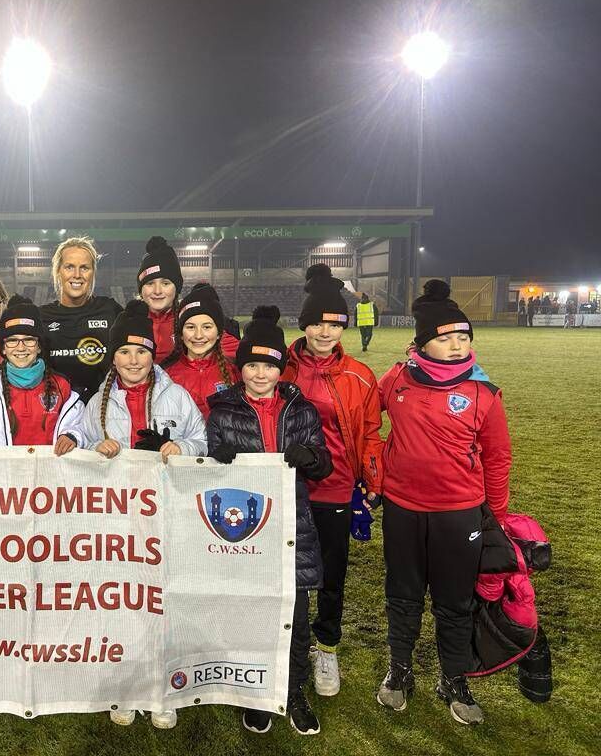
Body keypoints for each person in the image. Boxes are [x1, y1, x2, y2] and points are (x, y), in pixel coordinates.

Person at [375, 279, 511, 726]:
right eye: (445, 337)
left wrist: (498, 515)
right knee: (403, 593)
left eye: (463, 337)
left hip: (459, 513)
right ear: (422, 342)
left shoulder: (483, 392)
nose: (456, 346)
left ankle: (454, 677)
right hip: (402, 507)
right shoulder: (396, 378)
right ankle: (400, 670)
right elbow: (361, 418)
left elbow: (497, 456)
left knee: (454, 601)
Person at [206, 305, 333, 736]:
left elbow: (323, 463)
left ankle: (294, 689)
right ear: (240, 367)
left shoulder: (302, 411)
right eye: (253, 365)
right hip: (243, 532)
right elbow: (206, 474)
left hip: (292, 528)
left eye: (270, 365)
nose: (261, 374)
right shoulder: (222, 411)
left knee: (295, 618)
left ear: (282, 369)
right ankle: (256, 691)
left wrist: (310, 457)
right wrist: (215, 461)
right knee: (250, 614)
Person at [81, 300, 206, 731]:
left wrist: (181, 448)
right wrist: (91, 447)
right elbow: (78, 439)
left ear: (154, 354)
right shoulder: (97, 399)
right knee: (124, 603)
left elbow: (200, 439)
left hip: (164, 517)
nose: (134, 360)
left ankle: (163, 688)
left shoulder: (176, 394)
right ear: (112, 356)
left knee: (163, 602)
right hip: (119, 521)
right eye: (124, 352)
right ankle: (127, 683)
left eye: (142, 352)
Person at [281, 264, 383, 698]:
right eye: (318, 323)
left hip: (337, 488)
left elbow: (371, 434)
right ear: (304, 325)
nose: (326, 332)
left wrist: (371, 483)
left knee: (330, 577)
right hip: (286, 488)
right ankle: (288, 645)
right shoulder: (279, 366)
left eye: (335, 324)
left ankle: (327, 648)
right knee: (286, 575)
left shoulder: (360, 375)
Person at [0, 295, 84, 452]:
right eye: (12, 340)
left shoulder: (61, 385)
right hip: (3, 474)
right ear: (3, 348)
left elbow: (82, 425)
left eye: (29, 339)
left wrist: (72, 436)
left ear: (39, 346)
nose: (21, 348)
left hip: (49, 472)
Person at [39, 237, 122, 402]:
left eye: (84, 268)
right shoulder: (42, 317)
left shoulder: (110, 310)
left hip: (105, 411)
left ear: (93, 272)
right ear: (58, 271)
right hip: (58, 414)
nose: (77, 275)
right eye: (69, 267)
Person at [161, 283, 240, 419]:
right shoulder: (165, 376)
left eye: (207, 327)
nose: (198, 335)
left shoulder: (235, 372)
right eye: (191, 327)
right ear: (180, 334)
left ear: (219, 334)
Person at [136, 235, 183, 360]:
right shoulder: (126, 322)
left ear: (176, 287)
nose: (157, 291)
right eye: (150, 283)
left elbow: (237, 353)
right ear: (141, 290)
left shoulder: (191, 320)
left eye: (165, 283)